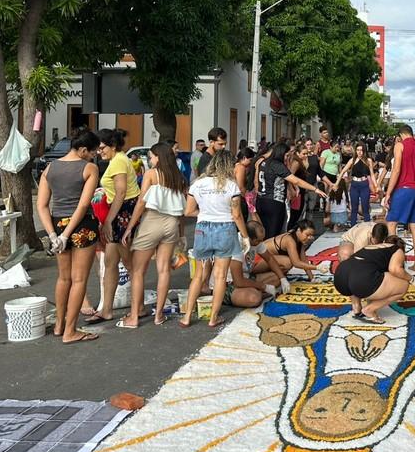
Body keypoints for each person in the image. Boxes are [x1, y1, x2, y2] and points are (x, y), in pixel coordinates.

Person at [182, 151, 286, 327]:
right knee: (221, 275)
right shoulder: (231, 186)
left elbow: (188, 212)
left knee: (199, 276)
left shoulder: (197, 184)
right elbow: (237, 215)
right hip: (225, 229)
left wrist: (207, 214)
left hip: (202, 229)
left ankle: (186, 317)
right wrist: (245, 236)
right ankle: (213, 318)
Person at [36, 128, 101, 344]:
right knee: (79, 279)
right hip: (83, 226)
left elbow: (42, 205)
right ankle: (71, 331)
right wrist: (66, 234)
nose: (94, 155)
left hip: (57, 223)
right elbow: (83, 205)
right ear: (83, 150)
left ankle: (59, 325)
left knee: (64, 277)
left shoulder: (50, 168)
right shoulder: (89, 168)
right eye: (92, 152)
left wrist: (54, 234)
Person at [119, 142, 188, 328]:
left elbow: (141, 203)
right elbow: (182, 211)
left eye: (151, 156)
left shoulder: (151, 174)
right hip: (172, 225)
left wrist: (130, 227)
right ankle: (158, 315)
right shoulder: (178, 177)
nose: (150, 160)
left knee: (137, 270)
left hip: (152, 222)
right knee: (164, 269)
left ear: (159, 157)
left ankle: (134, 317)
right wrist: (181, 235)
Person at [85, 128, 141, 325]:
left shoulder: (118, 161)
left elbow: (120, 192)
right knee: (110, 263)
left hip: (122, 213)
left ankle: (138, 307)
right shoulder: (117, 160)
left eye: (102, 148)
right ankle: (106, 309)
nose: (100, 152)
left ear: (113, 146)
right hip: (119, 211)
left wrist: (108, 220)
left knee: (129, 263)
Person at [383, 125, 415, 273]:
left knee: (391, 223)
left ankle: (394, 262)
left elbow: (396, 169)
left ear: (401, 135)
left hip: (404, 189)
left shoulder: (400, 145)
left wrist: (388, 193)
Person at [334, 236, 413, 323]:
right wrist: (411, 279)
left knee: (359, 275)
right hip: (360, 280)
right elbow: (395, 270)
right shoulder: (397, 250)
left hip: (340, 276)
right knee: (403, 285)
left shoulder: (370, 247)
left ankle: (356, 308)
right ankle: (369, 310)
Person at [257, 142, 327, 237]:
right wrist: (315, 189)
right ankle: (272, 250)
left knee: (265, 231)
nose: (287, 158)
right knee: (274, 232)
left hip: (261, 199)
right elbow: (296, 181)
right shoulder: (277, 165)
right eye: (286, 155)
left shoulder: (263, 162)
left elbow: (256, 180)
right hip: (274, 201)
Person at [251, 219, 321, 280]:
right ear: (299, 230)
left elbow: (304, 259)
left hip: (265, 260)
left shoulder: (300, 240)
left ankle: (275, 278)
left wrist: (312, 278)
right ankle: (259, 277)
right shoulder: (289, 240)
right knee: (288, 262)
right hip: (256, 261)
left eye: (311, 235)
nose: (309, 238)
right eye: (307, 235)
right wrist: (317, 267)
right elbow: (296, 263)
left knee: (287, 264)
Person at [338, 142, 376, 225]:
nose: (359, 152)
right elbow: (343, 171)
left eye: (361, 150)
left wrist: (376, 185)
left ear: (364, 151)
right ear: (355, 151)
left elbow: (372, 174)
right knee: (354, 207)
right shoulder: (352, 160)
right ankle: (353, 226)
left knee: (365, 206)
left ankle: (367, 227)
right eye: (358, 150)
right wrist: (337, 183)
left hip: (364, 184)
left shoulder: (368, 160)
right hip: (354, 184)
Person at [234, 146, 257, 217]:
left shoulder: (235, 166)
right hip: (239, 198)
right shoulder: (241, 167)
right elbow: (240, 186)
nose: (251, 163)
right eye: (250, 160)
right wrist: (246, 197)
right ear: (244, 158)